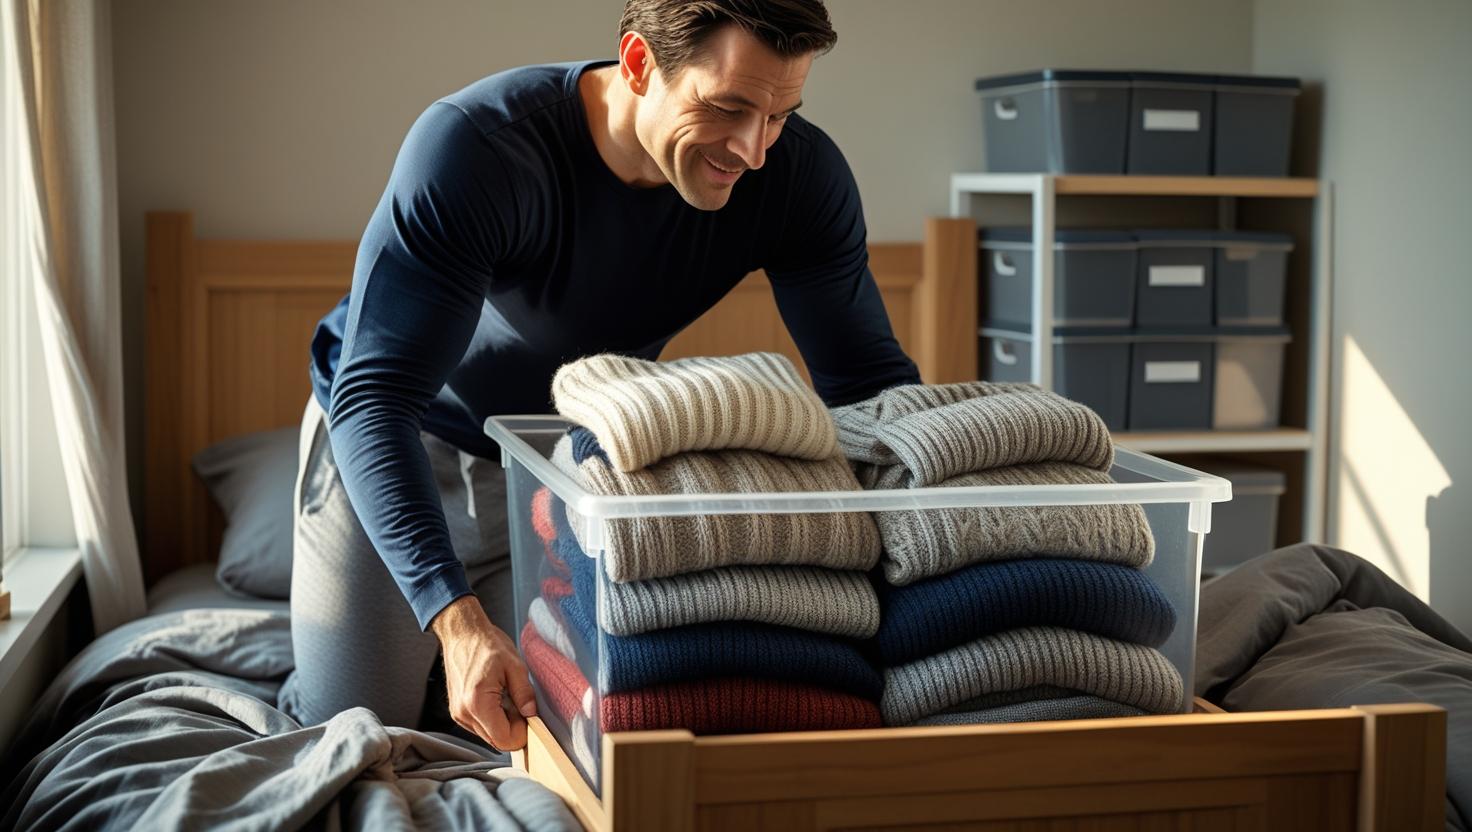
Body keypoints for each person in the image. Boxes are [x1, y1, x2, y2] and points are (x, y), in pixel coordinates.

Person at [279, 0, 920, 753]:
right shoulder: (478, 149)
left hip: (558, 473)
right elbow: (374, 396)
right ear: (642, 63)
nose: (752, 149)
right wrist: (454, 618)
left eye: (780, 114)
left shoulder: (797, 178)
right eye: (727, 108)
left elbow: (870, 387)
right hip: (398, 444)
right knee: (354, 732)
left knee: (562, 732)